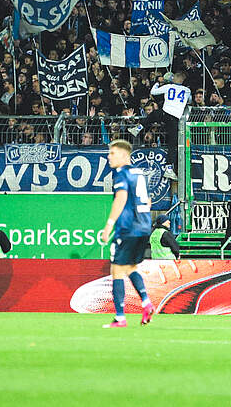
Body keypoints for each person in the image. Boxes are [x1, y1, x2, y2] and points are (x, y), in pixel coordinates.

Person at [99, 139, 154, 328]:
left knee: (116, 270)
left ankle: (120, 317)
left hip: (128, 227)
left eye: (112, 153)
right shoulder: (139, 174)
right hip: (144, 226)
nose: (109, 157)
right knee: (130, 267)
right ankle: (146, 302)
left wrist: (109, 225)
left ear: (124, 155)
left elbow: (121, 199)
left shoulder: (121, 173)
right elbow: (148, 201)